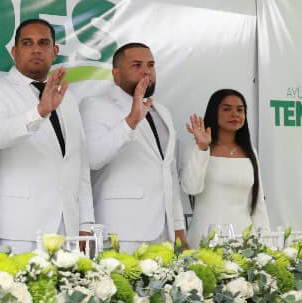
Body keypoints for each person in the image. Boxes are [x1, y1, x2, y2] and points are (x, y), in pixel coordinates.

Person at [0, 18, 93, 252]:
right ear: (14, 52)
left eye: (43, 43)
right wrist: (39, 112)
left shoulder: (68, 98)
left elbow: (79, 164)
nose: (36, 49)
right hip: (19, 228)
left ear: (55, 51)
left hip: (68, 229)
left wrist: (85, 224)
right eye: (27, 43)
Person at [81, 43, 187, 251]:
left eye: (150, 65)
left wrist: (178, 229)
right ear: (116, 73)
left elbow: (169, 173)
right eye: (137, 65)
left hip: (164, 234)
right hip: (121, 231)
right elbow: (92, 159)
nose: (146, 71)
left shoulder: (163, 112)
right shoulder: (95, 105)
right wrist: (130, 122)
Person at [181, 88, 270, 246]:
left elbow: (258, 204)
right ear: (214, 112)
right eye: (227, 109)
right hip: (205, 240)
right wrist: (202, 148)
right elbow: (191, 188)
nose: (235, 114)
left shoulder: (250, 151)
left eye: (240, 110)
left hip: (244, 242)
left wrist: (267, 243)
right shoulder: (196, 148)